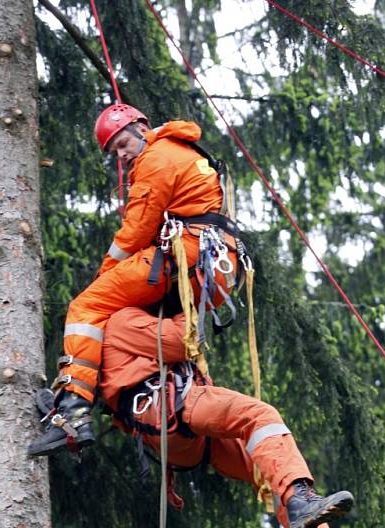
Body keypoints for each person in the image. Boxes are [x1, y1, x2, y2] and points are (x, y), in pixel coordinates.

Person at [34, 305, 385, 528]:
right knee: (260, 415)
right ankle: (302, 500)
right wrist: (195, 306)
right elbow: (178, 342)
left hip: (176, 424)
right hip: (166, 406)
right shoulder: (123, 320)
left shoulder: (116, 333)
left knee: (270, 469)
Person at [28, 103, 242, 457]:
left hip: (186, 254)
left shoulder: (158, 157)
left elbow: (136, 231)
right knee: (114, 322)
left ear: (141, 128)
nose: (122, 155)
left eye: (123, 144)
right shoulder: (178, 152)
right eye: (114, 152)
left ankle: (74, 410)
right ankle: (81, 398)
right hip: (206, 262)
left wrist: (105, 273)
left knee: (88, 305)